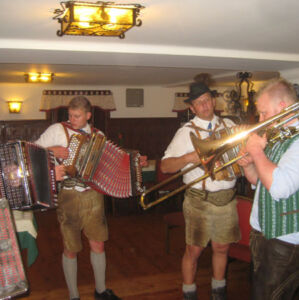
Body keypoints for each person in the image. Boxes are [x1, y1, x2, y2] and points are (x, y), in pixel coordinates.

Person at [35, 96, 147, 300]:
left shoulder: (99, 135)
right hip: (68, 195)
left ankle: (101, 290)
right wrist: (50, 150)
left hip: (94, 195)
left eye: (77, 116)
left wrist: (134, 164)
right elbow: (33, 152)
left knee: (98, 243)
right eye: (70, 115)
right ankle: (73, 295)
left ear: (88, 115)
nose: (72, 119)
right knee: (70, 247)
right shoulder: (57, 130)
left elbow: (110, 165)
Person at [161, 81, 241, 300]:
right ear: (192, 109)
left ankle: (219, 292)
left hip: (227, 197)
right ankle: (189, 293)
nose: (205, 106)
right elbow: (165, 166)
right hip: (199, 199)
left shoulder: (228, 125)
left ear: (213, 101)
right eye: (199, 103)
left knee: (222, 247)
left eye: (207, 100)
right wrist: (190, 157)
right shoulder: (185, 133)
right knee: (194, 251)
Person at [237, 78, 299, 300]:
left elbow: (280, 188)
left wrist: (257, 153)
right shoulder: (277, 136)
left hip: (285, 239)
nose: (261, 120)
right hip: (263, 232)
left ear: (282, 108)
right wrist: (249, 167)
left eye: (264, 113)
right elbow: (261, 182)